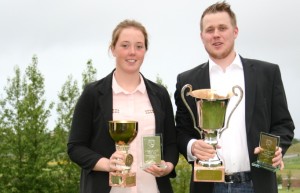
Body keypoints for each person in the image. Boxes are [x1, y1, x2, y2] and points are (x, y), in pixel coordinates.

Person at [174, 2, 295, 193]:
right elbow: (181, 131)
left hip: (257, 185)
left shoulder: (267, 73)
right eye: (209, 29)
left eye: (222, 28)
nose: (216, 34)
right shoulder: (187, 81)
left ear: (235, 31)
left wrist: (276, 149)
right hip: (208, 186)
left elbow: (284, 124)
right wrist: (192, 146)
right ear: (201, 36)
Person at [68, 19, 178, 193]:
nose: (132, 52)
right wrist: (107, 164)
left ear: (145, 50)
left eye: (139, 46)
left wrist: (168, 166)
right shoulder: (93, 94)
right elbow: (75, 147)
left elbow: (171, 143)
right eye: (125, 45)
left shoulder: (160, 94)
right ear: (113, 49)